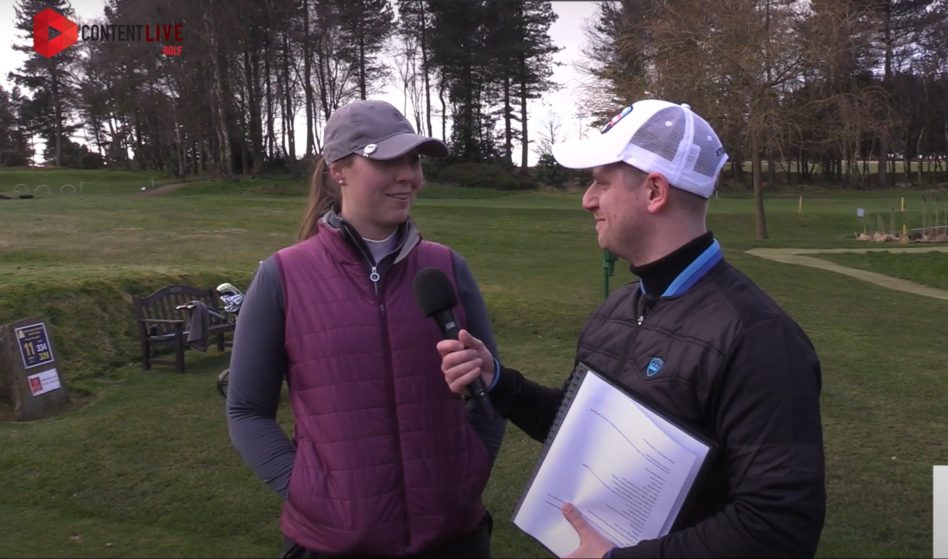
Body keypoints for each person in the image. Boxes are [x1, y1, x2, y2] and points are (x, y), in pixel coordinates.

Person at [438, 100, 826, 558]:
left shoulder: (758, 339)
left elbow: (778, 525)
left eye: (601, 182)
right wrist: (500, 383)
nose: (587, 200)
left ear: (655, 191)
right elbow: (582, 430)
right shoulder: (618, 308)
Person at [227, 99, 506, 558]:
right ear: (339, 169)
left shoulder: (447, 268)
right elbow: (246, 410)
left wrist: (470, 469)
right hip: (331, 544)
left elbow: (492, 387)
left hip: (454, 537)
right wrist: (308, 491)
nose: (408, 176)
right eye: (388, 160)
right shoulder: (282, 276)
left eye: (413, 161)